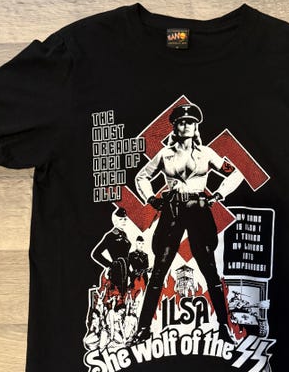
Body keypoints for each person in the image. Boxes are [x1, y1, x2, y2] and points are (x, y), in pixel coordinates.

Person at [129, 102, 245, 346]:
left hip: (198, 209)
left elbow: (235, 173)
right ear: (175, 126)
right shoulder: (165, 154)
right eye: (182, 122)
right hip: (172, 210)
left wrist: (219, 194)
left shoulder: (207, 154)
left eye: (191, 122)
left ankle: (224, 327)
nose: (186, 126)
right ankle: (143, 329)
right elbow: (142, 176)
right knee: (159, 270)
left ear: (196, 126)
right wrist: (151, 199)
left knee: (209, 269)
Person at [90, 207, 131, 295]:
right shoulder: (110, 235)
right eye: (120, 219)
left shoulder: (124, 234)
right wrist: (110, 265)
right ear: (115, 220)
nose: (123, 221)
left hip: (125, 271)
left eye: (124, 219)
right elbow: (95, 254)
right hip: (116, 271)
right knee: (116, 296)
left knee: (124, 296)